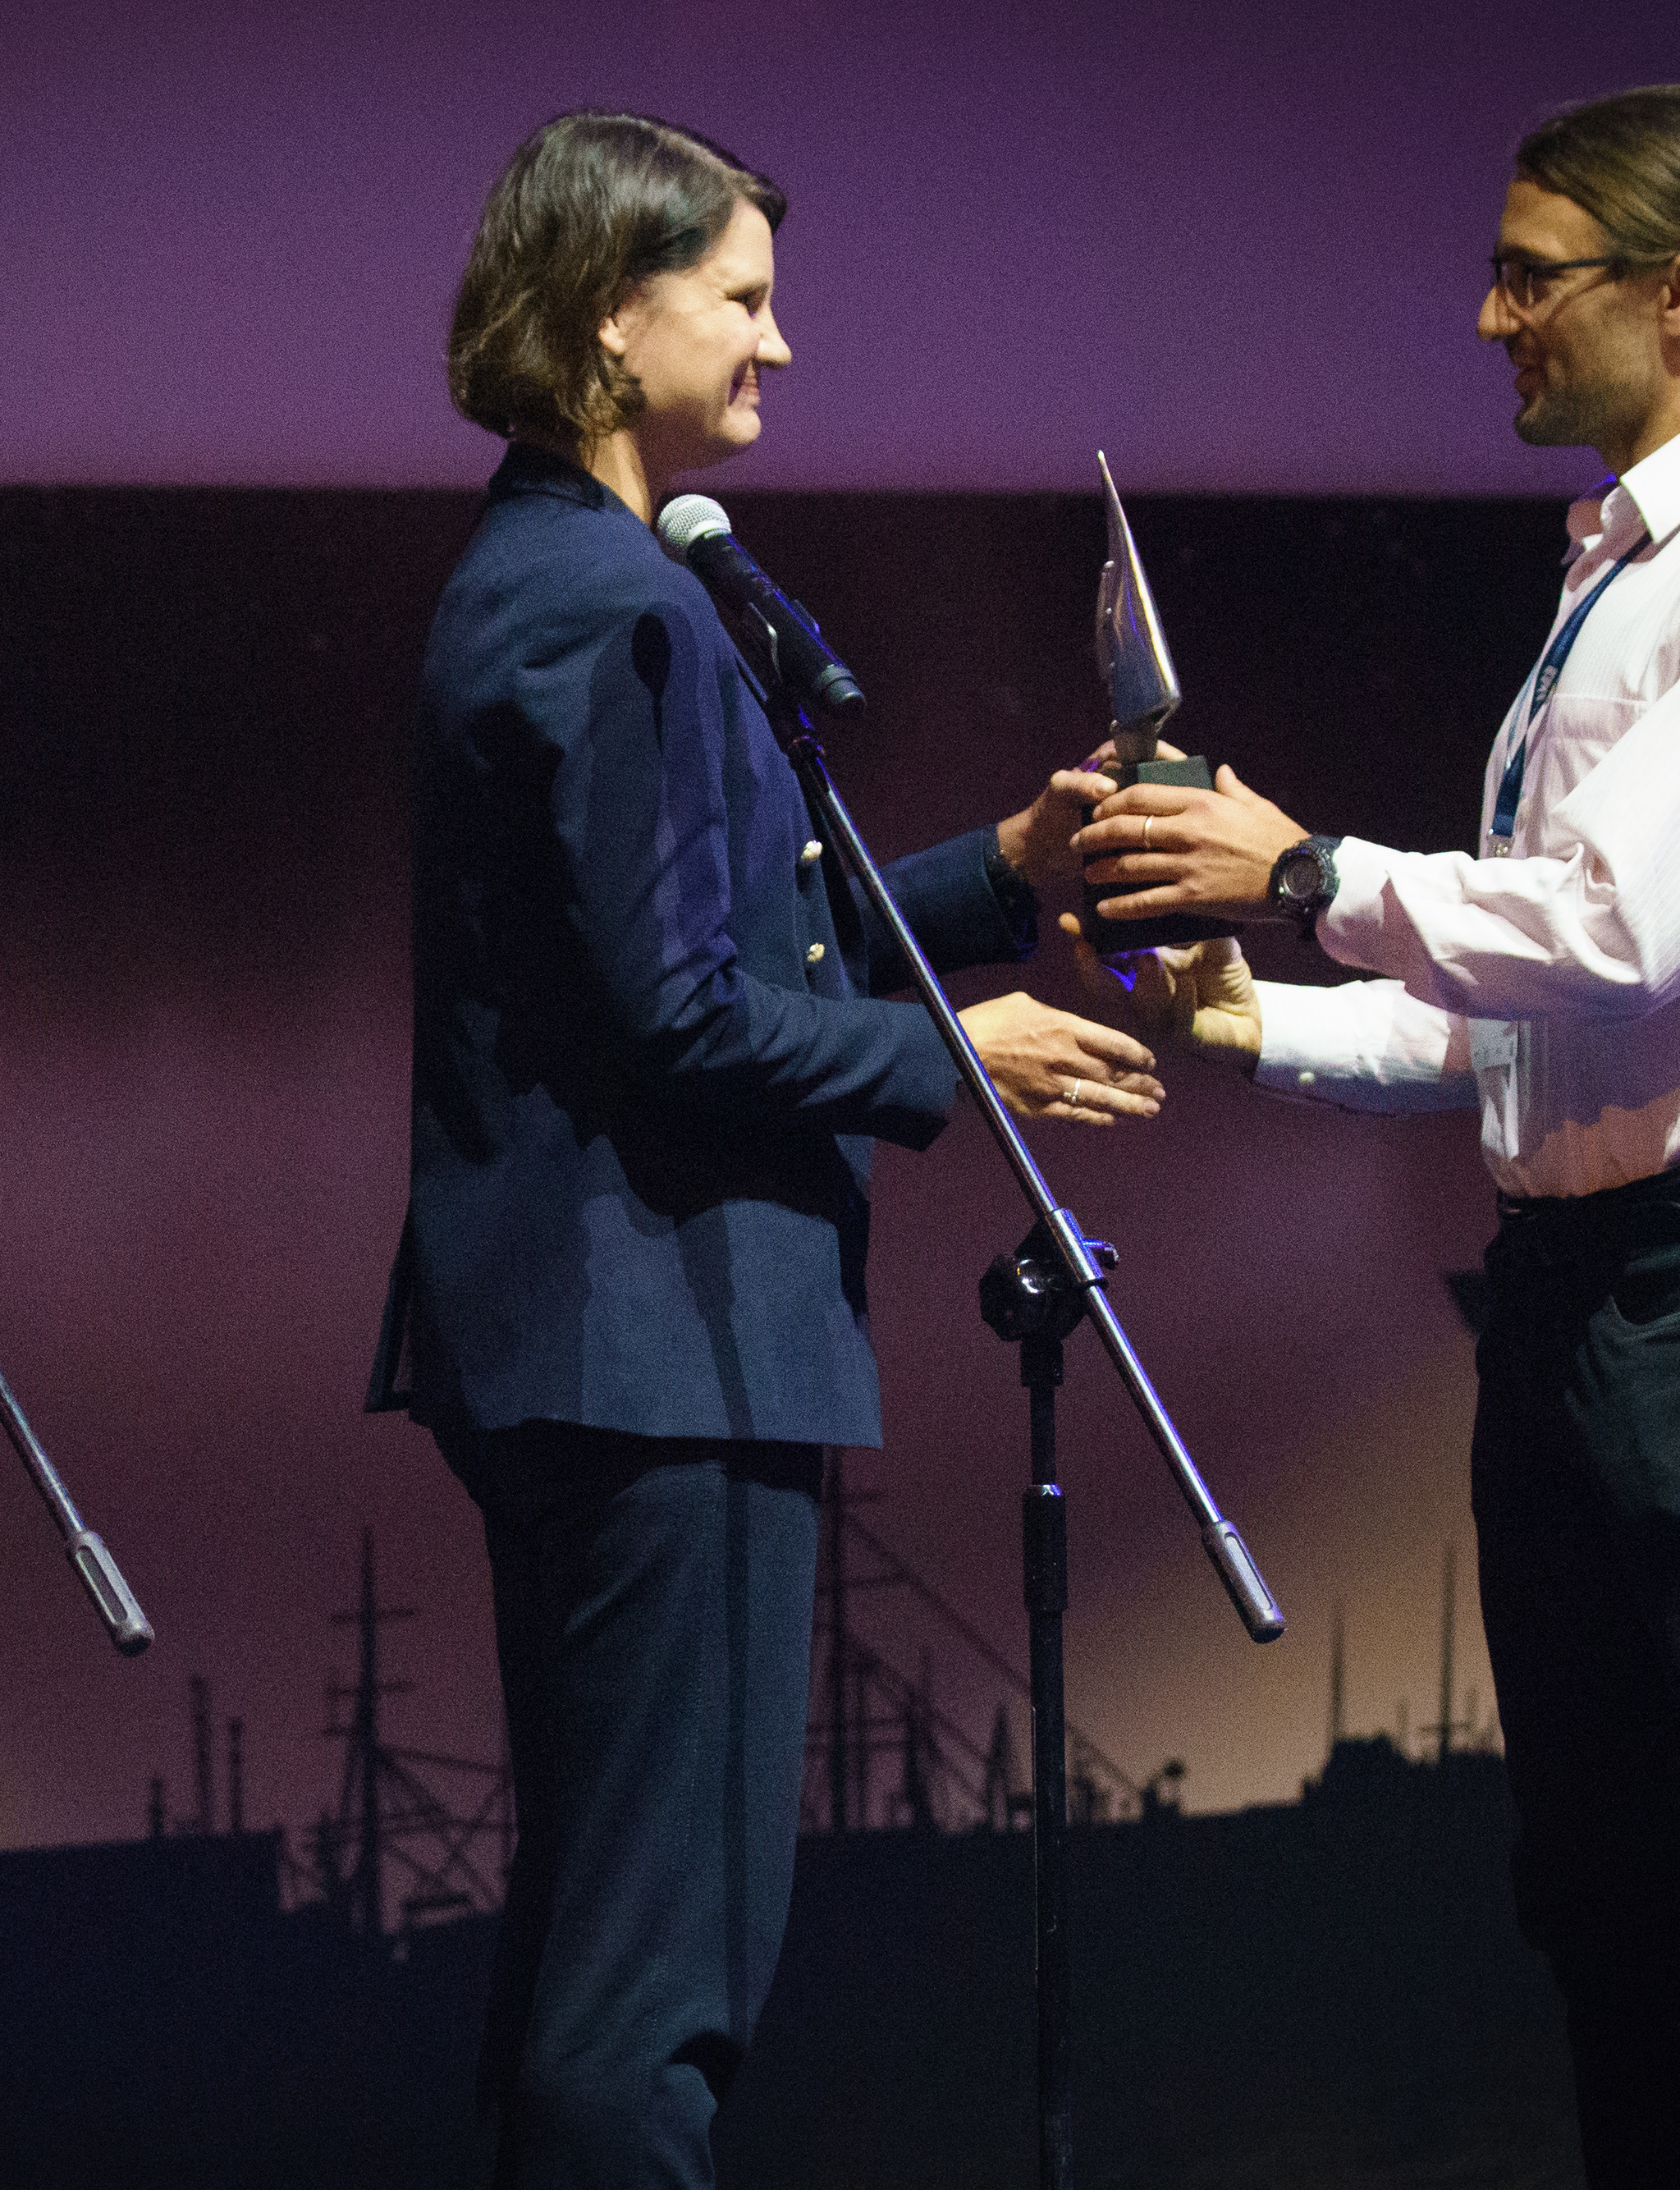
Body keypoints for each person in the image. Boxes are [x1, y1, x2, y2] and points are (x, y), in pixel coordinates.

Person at [1069, 85, 1680, 2190]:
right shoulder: (1618, 570)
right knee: (1616, 1918)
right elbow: (1544, 1018)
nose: (1485, 309)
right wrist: (1268, 1019)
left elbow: (1620, 921)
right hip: (1582, 1297)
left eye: (1532, 272)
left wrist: (1304, 860)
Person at [366, 111, 1162, 2188]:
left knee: (600, 1948)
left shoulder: (563, 577)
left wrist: (993, 875)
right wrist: (952, 1051)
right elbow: (680, 1015)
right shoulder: (605, 603)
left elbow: (720, 936)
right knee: (659, 1980)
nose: (777, 346)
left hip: (612, 1344)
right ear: (608, 321)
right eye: (739, 298)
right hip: (656, 1345)